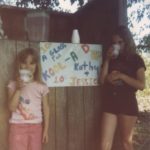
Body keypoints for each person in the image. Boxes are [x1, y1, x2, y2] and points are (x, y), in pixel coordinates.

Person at [99, 25, 146, 150]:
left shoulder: (136, 59)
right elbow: (102, 80)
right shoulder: (111, 58)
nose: (117, 45)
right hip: (110, 102)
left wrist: (122, 76)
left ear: (127, 41)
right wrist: (107, 60)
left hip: (127, 103)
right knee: (104, 145)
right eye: (114, 43)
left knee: (126, 142)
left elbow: (141, 85)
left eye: (120, 42)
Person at [7, 48, 50, 150]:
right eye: (24, 63)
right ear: (19, 65)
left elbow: (46, 109)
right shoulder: (12, 84)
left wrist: (46, 130)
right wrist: (18, 89)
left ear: (36, 66)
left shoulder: (41, 86)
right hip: (17, 127)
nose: (28, 66)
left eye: (32, 63)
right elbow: (11, 108)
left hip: (36, 127)